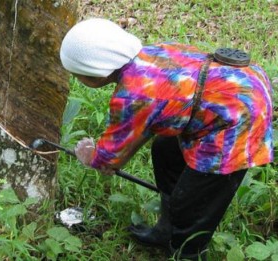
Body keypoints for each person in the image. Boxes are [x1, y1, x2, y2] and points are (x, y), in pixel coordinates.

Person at [59, 18, 273, 260]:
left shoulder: (134, 95)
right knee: (165, 149)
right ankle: (166, 230)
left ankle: (187, 252)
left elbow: (111, 157)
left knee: (192, 203)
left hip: (239, 120)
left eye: (78, 75)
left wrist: (91, 155)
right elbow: (150, 120)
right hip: (237, 91)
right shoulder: (153, 53)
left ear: (96, 76)